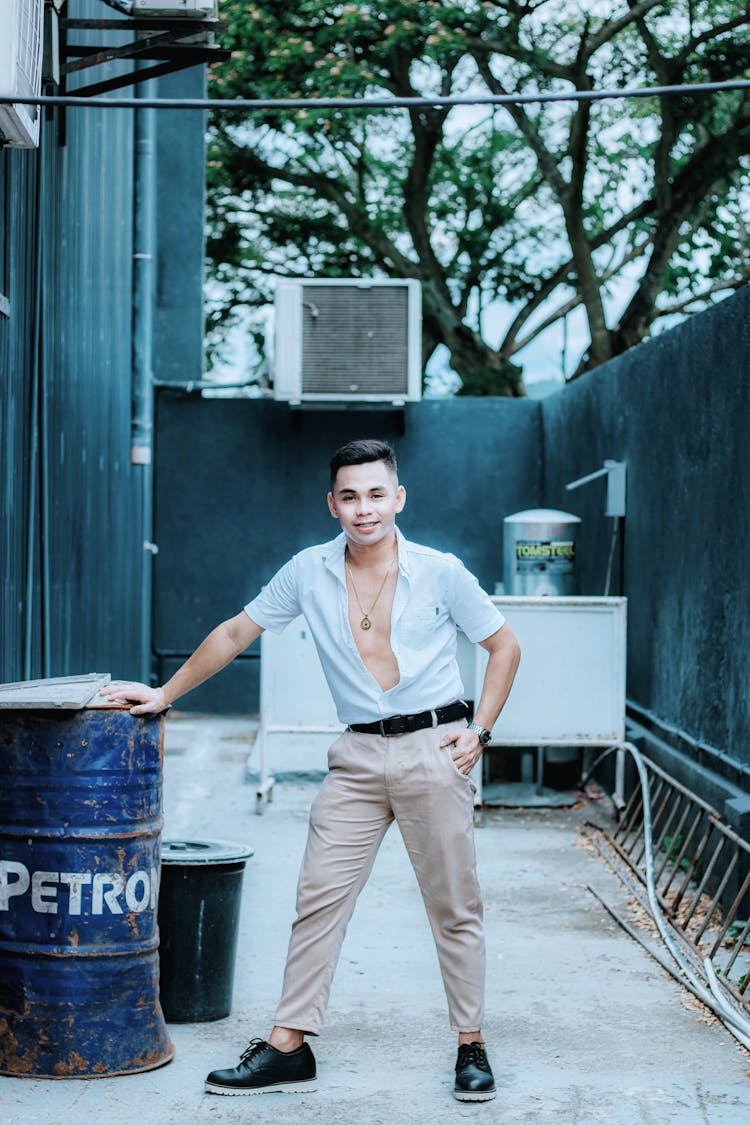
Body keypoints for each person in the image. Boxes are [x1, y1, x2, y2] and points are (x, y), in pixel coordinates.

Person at [104, 438, 520, 1103]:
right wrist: (164, 693)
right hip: (356, 756)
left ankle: (471, 1043)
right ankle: (289, 1045)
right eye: (350, 496)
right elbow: (237, 631)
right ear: (333, 503)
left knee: (453, 906)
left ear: (398, 497)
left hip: (434, 748)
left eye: (376, 493)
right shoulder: (309, 570)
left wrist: (481, 730)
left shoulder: (440, 571)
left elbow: (503, 645)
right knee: (317, 901)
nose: (364, 509)